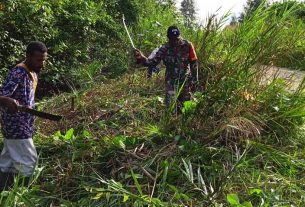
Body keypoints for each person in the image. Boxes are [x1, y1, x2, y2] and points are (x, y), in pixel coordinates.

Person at [0, 41, 48, 191]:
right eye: (38, 60)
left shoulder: (31, 72)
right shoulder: (18, 73)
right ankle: (25, 196)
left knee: (7, 164)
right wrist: (7, 100)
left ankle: (4, 193)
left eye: (44, 60)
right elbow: (1, 95)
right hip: (17, 126)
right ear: (28, 56)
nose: (42, 64)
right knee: (29, 162)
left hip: (22, 126)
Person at [134, 25, 199, 113]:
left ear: (179, 36)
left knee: (186, 109)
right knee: (171, 109)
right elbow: (152, 62)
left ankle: (182, 125)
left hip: (185, 82)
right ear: (168, 38)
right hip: (171, 83)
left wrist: (195, 81)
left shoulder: (188, 45)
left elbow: (194, 63)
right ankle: (171, 125)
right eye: (173, 39)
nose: (176, 41)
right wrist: (141, 58)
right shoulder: (164, 48)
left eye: (177, 38)